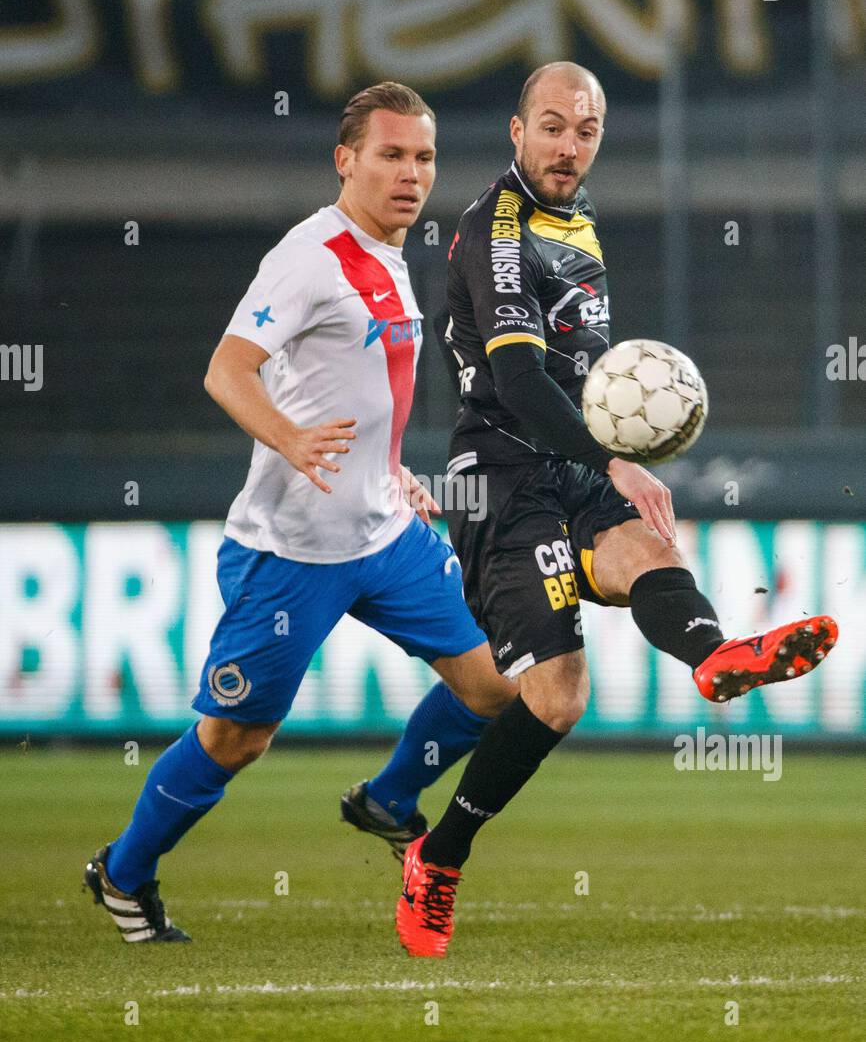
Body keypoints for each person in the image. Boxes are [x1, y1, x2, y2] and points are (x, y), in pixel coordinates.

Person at [395, 60, 837, 959]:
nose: (569, 145)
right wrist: (614, 457)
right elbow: (518, 378)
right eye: (552, 126)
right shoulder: (502, 230)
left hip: (570, 461)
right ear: (517, 133)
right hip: (505, 474)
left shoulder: (578, 221)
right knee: (558, 697)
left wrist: (611, 451)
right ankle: (437, 859)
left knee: (646, 549)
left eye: (586, 130)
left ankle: (717, 660)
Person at [83, 81, 515, 944]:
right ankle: (123, 874)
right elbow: (227, 369)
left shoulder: (389, 254)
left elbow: (361, 386)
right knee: (238, 739)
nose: (411, 173)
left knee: (497, 687)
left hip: (384, 534)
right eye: (391, 155)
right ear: (345, 160)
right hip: (290, 551)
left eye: (423, 156)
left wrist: (392, 474)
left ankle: (391, 799)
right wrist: (290, 439)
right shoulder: (310, 256)